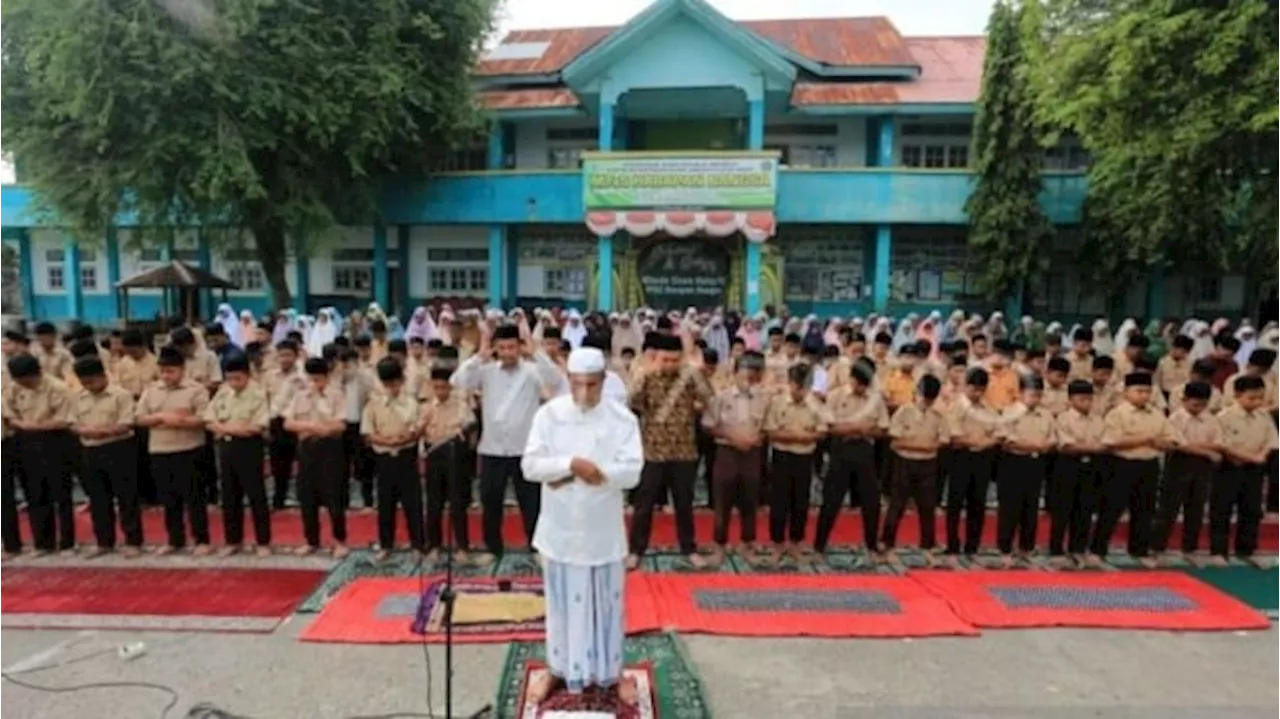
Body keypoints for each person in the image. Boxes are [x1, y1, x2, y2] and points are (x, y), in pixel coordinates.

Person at [521, 347, 644, 707]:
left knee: (608, 604)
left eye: (592, 385)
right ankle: (558, 669)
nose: (584, 394)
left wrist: (598, 473)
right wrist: (570, 464)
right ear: (569, 381)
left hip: (602, 530)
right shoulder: (550, 415)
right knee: (560, 605)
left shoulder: (622, 420)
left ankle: (612, 673)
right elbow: (530, 465)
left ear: (604, 382)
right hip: (559, 529)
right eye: (577, 385)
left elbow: (633, 470)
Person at [451, 322, 560, 562]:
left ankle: (536, 548)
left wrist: (536, 352)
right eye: (502, 348)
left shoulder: (532, 371)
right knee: (491, 502)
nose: (508, 352)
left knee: (531, 503)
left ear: (520, 347)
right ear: (496, 349)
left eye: (512, 347)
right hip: (492, 450)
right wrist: (479, 356)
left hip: (526, 450)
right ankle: (493, 548)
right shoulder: (486, 371)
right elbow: (458, 381)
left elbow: (555, 379)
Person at [627, 332, 714, 569]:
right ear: (657, 358)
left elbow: (709, 397)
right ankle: (636, 550)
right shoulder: (646, 377)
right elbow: (631, 401)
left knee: (684, 503)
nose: (670, 365)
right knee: (644, 505)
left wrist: (695, 371)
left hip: (684, 451)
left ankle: (689, 548)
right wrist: (645, 371)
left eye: (675, 360)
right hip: (652, 451)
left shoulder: (688, 377)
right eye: (665, 360)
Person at [1092, 372, 1181, 568]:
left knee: (1145, 510)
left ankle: (1139, 549)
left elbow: (1173, 440)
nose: (1144, 395)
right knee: (1111, 509)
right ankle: (1098, 550)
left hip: (1149, 465)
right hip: (1122, 465)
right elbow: (1111, 441)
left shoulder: (1156, 413)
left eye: (1147, 391)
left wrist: (1161, 443)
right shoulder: (1117, 413)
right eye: (1139, 391)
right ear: (1126, 392)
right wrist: (1146, 440)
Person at [137, 347, 212, 555]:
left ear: (182, 369)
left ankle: (201, 540)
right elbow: (140, 417)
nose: (166, 376)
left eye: (171, 371)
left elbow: (205, 418)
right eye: (163, 371)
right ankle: (174, 539)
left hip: (189, 449)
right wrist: (161, 418)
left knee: (194, 497)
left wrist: (181, 421)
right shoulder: (151, 390)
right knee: (168, 499)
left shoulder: (196, 390)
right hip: (160, 450)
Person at [700, 350, 768, 566]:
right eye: (746, 375)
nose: (750, 380)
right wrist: (731, 436)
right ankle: (719, 546)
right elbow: (709, 425)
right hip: (727, 453)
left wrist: (758, 437)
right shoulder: (721, 397)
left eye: (755, 376)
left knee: (750, 501)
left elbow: (768, 426)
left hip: (752, 454)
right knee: (723, 502)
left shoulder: (764, 398)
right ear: (735, 372)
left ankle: (747, 545)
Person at [69, 356, 142, 557]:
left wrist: (105, 431)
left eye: (92, 381)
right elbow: (72, 422)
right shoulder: (78, 397)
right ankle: (104, 542)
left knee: (126, 497)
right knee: (98, 499)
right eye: (84, 383)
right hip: (90, 450)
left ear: (102, 375)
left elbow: (127, 423)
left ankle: (133, 541)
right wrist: (82, 431)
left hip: (119, 448)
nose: (89, 386)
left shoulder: (121, 395)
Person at [816, 358, 888, 559]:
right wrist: (855, 428)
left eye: (866, 385)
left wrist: (868, 431)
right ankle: (819, 544)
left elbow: (883, 428)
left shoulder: (875, 398)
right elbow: (828, 426)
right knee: (832, 499)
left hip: (865, 450)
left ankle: (871, 544)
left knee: (871, 500)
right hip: (841, 450)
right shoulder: (835, 396)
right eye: (858, 384)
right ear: (851, 379)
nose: (861, 388)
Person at [5, 354, 75, 554]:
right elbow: (9, 414)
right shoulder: (15, 387)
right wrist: (21, 424)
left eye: (23, 381)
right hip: (25, 442)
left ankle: (67, 542)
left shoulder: (58, 387)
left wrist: (35, 425)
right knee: (34, 493)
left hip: (55, 441)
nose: (20, 384)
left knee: (61, 495)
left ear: (34, 374)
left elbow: (64, 420)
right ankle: (43, 542)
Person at [204, 354, 272, 556]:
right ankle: (233, 540)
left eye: (238, 379)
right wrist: (231, 428)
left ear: (248, 375)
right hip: (226, 449)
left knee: (256, 495)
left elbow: (256, 427)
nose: (233, 383)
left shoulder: (258, 394)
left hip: (249, 448)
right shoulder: (223, 392)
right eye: (229, 378)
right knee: (229, 495)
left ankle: (263, 541)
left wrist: (225, 429)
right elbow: (208, 419)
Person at [762, 362, 829, 565]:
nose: (800, 391)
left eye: (805, 387)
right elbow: (771, 431)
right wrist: (800, 436)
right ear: (789, 383)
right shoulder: (777, 402)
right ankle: (777, 544)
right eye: (797, 386)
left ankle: (795, 543)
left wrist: (797, 437)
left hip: (804, 458)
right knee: (779, 502)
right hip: (782, 457)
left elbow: (823, 430)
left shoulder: (815, 404)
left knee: (801, 502)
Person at [284, 357, 350, 557]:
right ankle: (311, 540)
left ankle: (339, 541)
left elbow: (341, 424)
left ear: (327, 376)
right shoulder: (301, 395)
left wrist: (324, 429)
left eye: (319, 379)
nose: (315, 383)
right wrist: (311, 427)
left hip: (330, 450)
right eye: (312, 378)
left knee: (333, 497)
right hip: (306, 450)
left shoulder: (336, 394)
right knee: (307, 497)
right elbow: (288, 423)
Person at [362, 357, 425, 562]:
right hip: (384, 458)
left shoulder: (411, 403)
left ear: (402, 380)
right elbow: (368, 433)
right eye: (387, 384)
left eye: (395, 383)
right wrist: (386, 441)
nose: (392, 388)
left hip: (406, 457)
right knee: (385, 504)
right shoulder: (373, 403)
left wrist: (407, 437)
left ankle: (418, 544)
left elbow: (418, 427)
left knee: (412, 503)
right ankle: (386, 544)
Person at [1210, 375, 1278, 568]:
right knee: (1222, 510)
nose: (1257, 402)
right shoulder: (1224, 417)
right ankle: (1218, 551)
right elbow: (1223, 446)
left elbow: (1271, 441)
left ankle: (1247, 550)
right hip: (1229, 467)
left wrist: (1260, 456)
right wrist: (1249, 457)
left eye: (1260, 398)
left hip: (1255, 468)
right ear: (1237, 395)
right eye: (1252, 398)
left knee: (1251, 510)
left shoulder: (1264, 416)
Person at [881, 374, 949, 565]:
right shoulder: (904, 411)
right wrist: (922, 445)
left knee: (927, 507)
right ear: (916, 393)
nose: (926, 402)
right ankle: (888, 546)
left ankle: (927, 547)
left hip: (927, 464)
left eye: (930, 399)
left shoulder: (937, 415)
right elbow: (895, 440)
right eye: (923, 397)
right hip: (905, 462)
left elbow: (943, 440)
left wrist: (917, 444)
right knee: (897, 506)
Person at [1152, 381, 1221, 561]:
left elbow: (1218, 443)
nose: (1200, 408)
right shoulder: (1175, 418)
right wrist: (1205, 450)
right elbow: (1177, 445)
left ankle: (1189, 549)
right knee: (1168, 510)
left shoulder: (1212, 419)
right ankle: (1157, 548)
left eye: (1204, 404)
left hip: (1203, 468)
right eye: (1195, 404)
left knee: (1196, 510)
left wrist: (1193, 446)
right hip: (1178, 466)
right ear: (1184, 400)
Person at [994, 374, 1055, 567]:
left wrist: (1040, 446)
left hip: (1036, 464)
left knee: (1031, 507)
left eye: (1038, 395)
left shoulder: (1046, 414)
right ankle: (1005, 548)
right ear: (1020, 393)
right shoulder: (1009, 412)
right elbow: (1007, 440)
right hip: (1013, 463)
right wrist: (1035, 445)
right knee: (1010, 508)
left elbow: (1053, 439)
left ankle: (1026, 548)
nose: (1035, 399)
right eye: (1031, 394)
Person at [945, 367, 1002, 563]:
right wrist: (977, 442)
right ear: (965, 386)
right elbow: (955, 435)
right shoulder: (956, 407)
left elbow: (997, 433)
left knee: (977, 503)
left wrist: (985, 443)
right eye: (973, 388)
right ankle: (952, 543)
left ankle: (972, 545)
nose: (976, 393)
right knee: (955, 503)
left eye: (980, 389)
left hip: (982, 459)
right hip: (961, 457)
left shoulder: (989, 409)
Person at [420, 366, 476, 563]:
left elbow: (470, 423)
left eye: (444, 387)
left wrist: (464, 429)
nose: (440, 392)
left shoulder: (460, 405)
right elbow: (418, 429)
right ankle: (434, 546)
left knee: (457, 503)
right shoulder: (427, 407)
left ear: (450, 387)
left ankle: (462, 547)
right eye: (436, 387)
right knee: (434, 504)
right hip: (434, 456)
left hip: (455, 457)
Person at [1048, 380, 1106, 567]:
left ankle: (1078, 548)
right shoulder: (1062, 419)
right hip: (1067, 466)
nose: (1087, 403)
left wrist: (1085, 446)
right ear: (1071, 399)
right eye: (1082, 399)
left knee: (1085, 509)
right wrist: (1090, 447)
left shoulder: (1098, 419)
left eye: (1090, 399)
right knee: (1063, 509)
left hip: (1092, 467)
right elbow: (1066, 446)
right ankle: (1056, 549)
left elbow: (1105, 444)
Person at [263, 339, 307, 509]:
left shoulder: (303, 377)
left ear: (296, 356)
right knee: (278, 464)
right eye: (281, 355)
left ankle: (304, 499)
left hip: (298, 422)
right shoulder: (269, 376)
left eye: (288, 355)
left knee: (303, 463)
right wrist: (265, 424)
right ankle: (278, 500)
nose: (285, 359)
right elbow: (265, 400)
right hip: (276, 422)